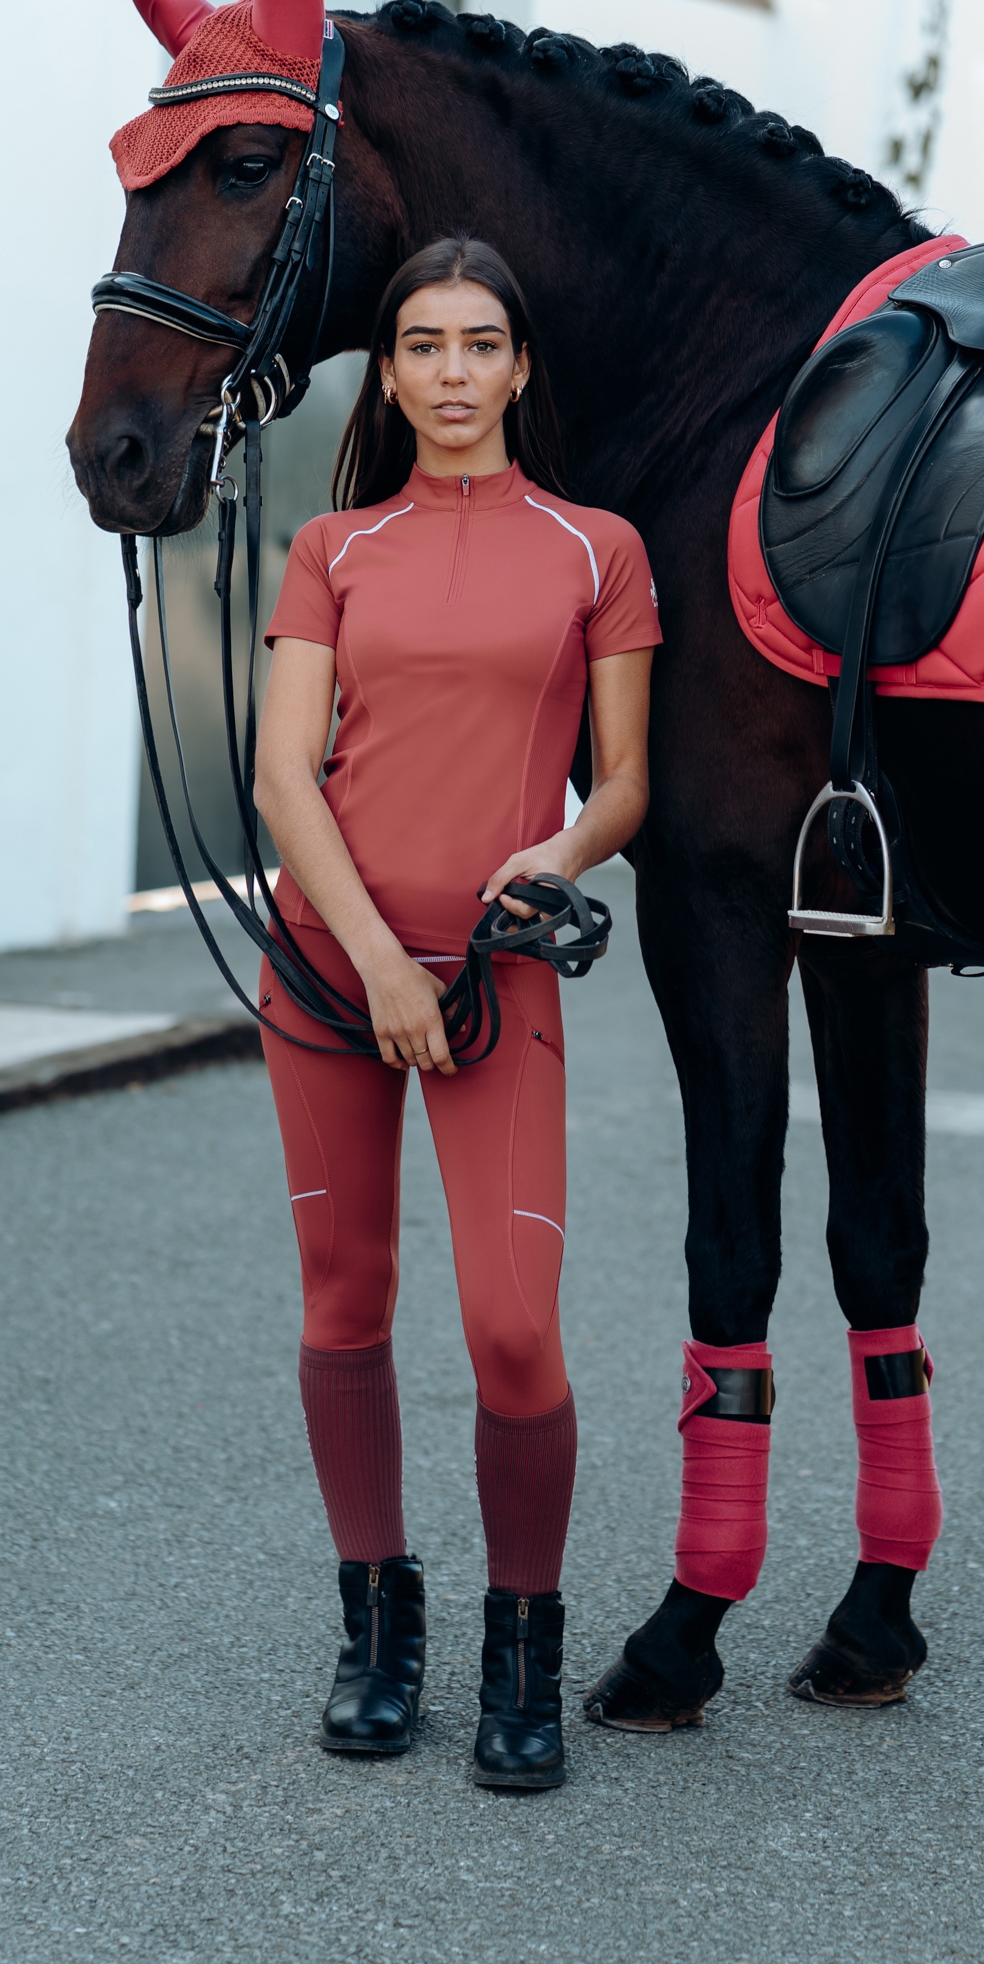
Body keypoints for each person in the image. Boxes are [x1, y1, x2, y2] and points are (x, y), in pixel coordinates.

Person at [253, 234, 659, 1791]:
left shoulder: (596, 548)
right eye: (422, 345)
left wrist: (554, 857)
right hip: (331, 967)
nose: (452, 372)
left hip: (497, 973)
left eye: (480, 343)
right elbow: (287, 776)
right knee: (344, 1301)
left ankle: (522, 1644)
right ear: (389, 371)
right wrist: (376, 962)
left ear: (520, 365)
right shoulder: (334, 547)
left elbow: (620, 783)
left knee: (511, 1326)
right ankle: (376, 1628)